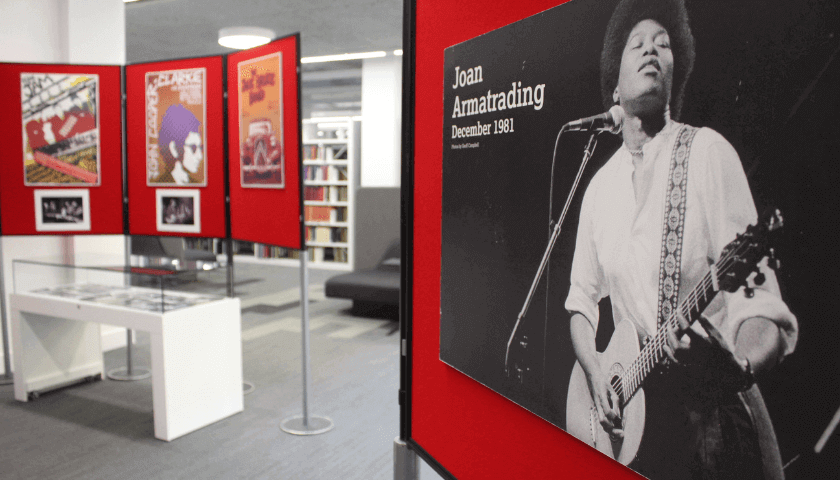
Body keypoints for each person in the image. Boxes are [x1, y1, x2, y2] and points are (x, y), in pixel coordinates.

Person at [564, 0, 798, 478]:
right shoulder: (597, 188)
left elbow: (761, 309)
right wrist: (594, 371)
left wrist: (739, 366)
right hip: (637, 428)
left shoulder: (708, 153)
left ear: (676, 71)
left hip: (710, 426)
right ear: (615, 81)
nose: (651, 49)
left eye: (664, 44)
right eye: (637, 44)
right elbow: (581, 302)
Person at [157, 104, 204, 185]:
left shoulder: (195, 184)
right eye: (193, 148)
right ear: (174, 149)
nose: (200, 156)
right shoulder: (162, 182)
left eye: (201, 148)